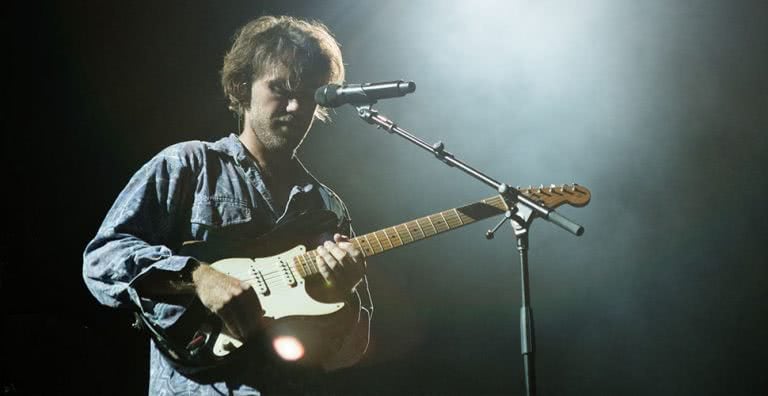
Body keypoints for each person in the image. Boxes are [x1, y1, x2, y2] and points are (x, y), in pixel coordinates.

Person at [83, 15, 373, 395]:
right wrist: (200, 277)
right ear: (242, 88)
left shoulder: (326, 207)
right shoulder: (188, 165)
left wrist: (341, 295)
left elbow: (350, 352)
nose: (295, 106)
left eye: (309, 93)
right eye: (281, 88)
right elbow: (103, 258)